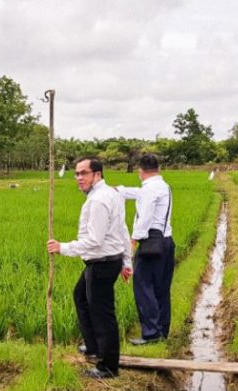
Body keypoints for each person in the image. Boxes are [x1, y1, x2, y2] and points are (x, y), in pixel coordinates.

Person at [47, 157, 133, 379]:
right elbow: (123, 230)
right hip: (106, 260)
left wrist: (62, 247)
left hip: (101, 263)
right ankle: (93, 345)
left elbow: (94, 240)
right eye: (76, 174)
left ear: (97, 174)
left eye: (83, 173)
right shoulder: (111, 194)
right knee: (81, 297)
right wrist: (126, 261)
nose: (78, 178)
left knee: (103, 314)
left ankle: (108, 366)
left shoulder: (98, 201)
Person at [116, 154, 175, 345]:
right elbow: (137, 193)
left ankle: (150, 334)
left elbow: (146, 215)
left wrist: (134, 239)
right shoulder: (163, 186)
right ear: (158, 168)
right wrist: (118, 190)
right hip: (166, 243)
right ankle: (162, 331)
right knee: (161, 289)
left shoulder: (150, 189)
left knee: (143, 286)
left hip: (151, 244)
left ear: (140, 171)